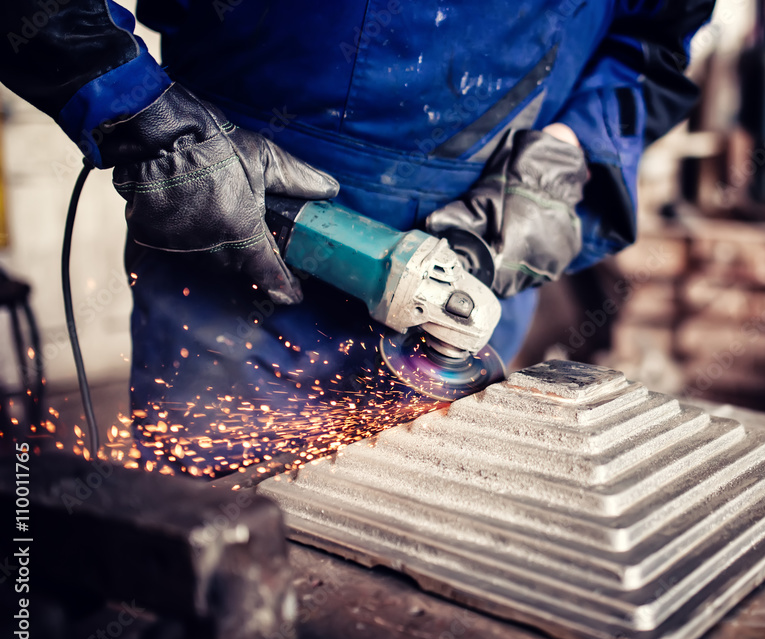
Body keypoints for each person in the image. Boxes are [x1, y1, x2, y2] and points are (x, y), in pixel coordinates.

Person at [0, 0, 714, 465]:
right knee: (222, 551)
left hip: (490, 244)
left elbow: (651, 42)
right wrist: (138, 115)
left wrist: (570, 158)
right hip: (227, 229)